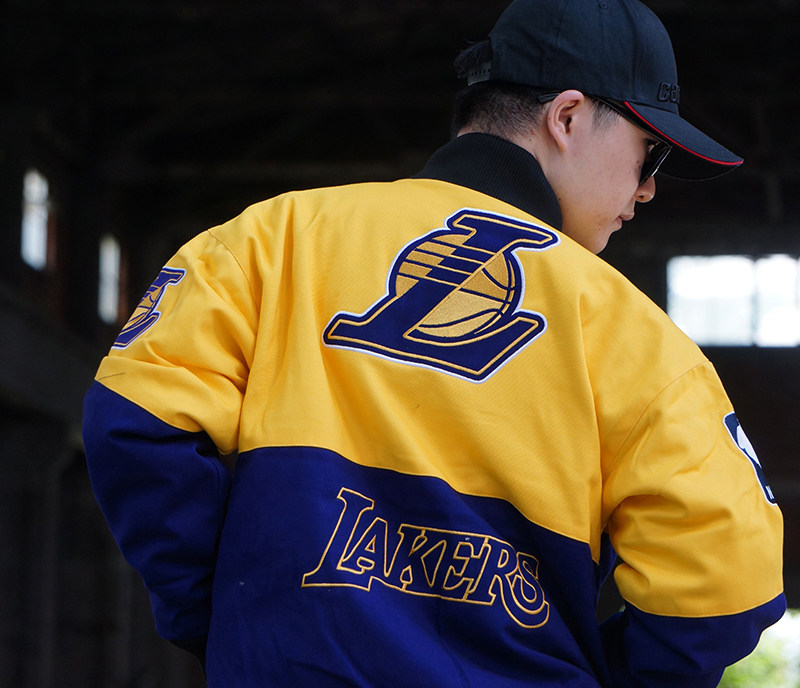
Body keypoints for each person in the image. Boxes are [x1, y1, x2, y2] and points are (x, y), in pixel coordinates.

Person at [82, 0, 785, 685]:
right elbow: (723, 585)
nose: (648, 190)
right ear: (568, 117)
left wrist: (233, 619)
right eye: (649, 153)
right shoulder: (638, 337)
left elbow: (136, 421)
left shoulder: (267, 241)